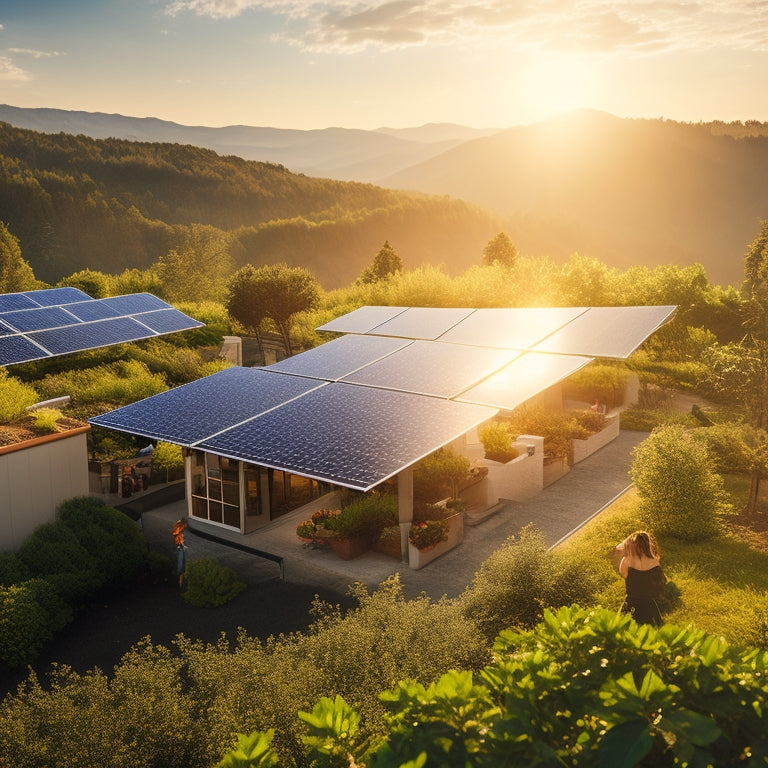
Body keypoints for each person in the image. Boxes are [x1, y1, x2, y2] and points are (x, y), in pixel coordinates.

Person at [615, 531, 666, 625]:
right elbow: (661, 583)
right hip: (649, 607)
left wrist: (631, 538)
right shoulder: (655, 560)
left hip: (631, 604)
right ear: (648, 544)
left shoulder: (627, 560)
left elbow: (618, 548)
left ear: (632, 545)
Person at [172, 517, 188, 587]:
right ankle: (179, 578)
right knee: (181, 564)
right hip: (181, 547)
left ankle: (180, 578)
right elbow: (177, 535)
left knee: (181, 563)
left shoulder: (178, 527)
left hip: (180, 547)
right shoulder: (180, 530)